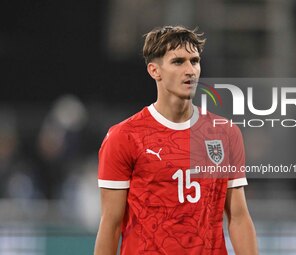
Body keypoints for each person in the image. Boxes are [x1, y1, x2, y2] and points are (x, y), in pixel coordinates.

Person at [94, 25, 258, 255]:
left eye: (195, 61)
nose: (190, 70)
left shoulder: (225, 133)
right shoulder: (124, 137)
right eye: (178, 62)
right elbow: (110, 225)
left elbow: (239, 217)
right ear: (154, 70)